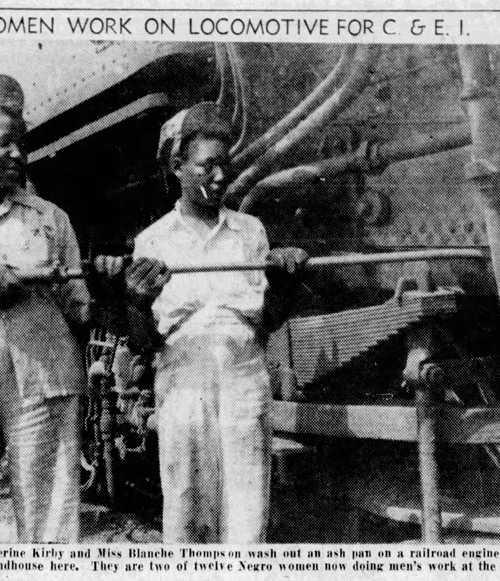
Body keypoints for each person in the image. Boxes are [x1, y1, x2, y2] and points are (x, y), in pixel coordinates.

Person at [0, 74, 168, 542]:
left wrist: (118, 292)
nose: (17, 152)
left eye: (22, 142)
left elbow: (81, 314)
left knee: (52, 520)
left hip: (46, 379)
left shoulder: (50, 219)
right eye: (1, 142)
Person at [134, 102, 309, 543]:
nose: (219, 176)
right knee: (186, 504)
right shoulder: (152, 240)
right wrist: (134, 302)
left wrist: (284, 281)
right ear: (178, 167)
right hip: (183, 379)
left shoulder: (250, 232)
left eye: (224, 165)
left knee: (247, 510)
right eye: (206, 166)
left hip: (243, 376)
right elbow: (144, 342)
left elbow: (265, 322)